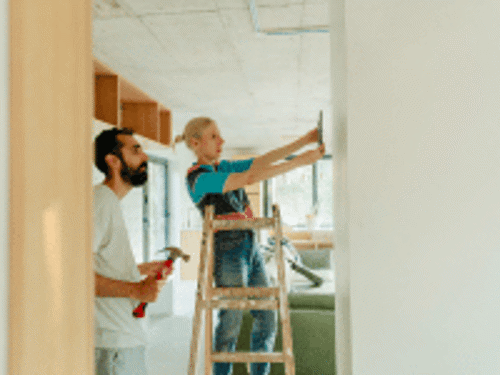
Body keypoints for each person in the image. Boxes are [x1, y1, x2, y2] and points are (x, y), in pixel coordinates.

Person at [174, 117, 325, 375]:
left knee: (267, 318)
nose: (222, 141)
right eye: (214, 137)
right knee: (231, 322)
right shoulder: (198, 179)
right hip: (228, 249)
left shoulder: (223, 166)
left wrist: (305, 140)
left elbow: (261, 161)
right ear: (195, 143)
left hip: (250, 243)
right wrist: (302, 161)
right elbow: (251, 176)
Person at [93, 127, 173, 375]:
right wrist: (137, 289)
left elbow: (94, 263)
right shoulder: (101, 201)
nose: (146, 158)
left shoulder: (107, 202)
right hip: (115, 344)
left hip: (121, 342)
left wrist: (136, 270)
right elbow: (76, 276)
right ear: (113, 161)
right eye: (136, 150)